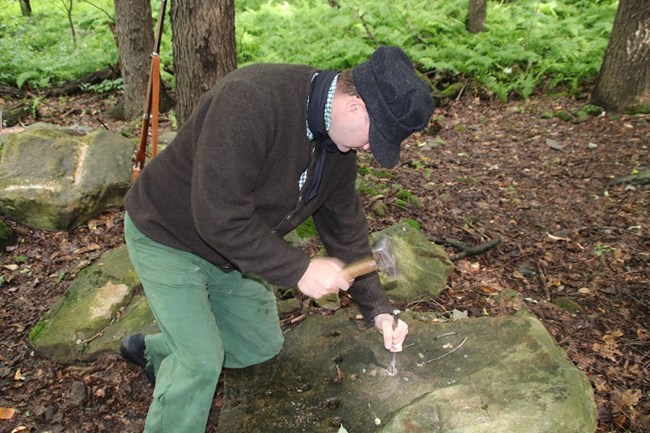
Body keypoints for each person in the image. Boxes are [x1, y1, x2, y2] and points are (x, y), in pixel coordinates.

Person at [120, 45, 434, 433]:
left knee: (260, 346)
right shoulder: (252, 100)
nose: (371, 149)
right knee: (199, 362)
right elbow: (217, 216)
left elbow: (345, 229)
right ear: (357, 107)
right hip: (168, 235)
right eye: (377, 137)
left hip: (233, 253)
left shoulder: (337, 146)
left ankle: (156, 349)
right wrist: (298, 269)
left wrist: (379, 311)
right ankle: (184, 361)